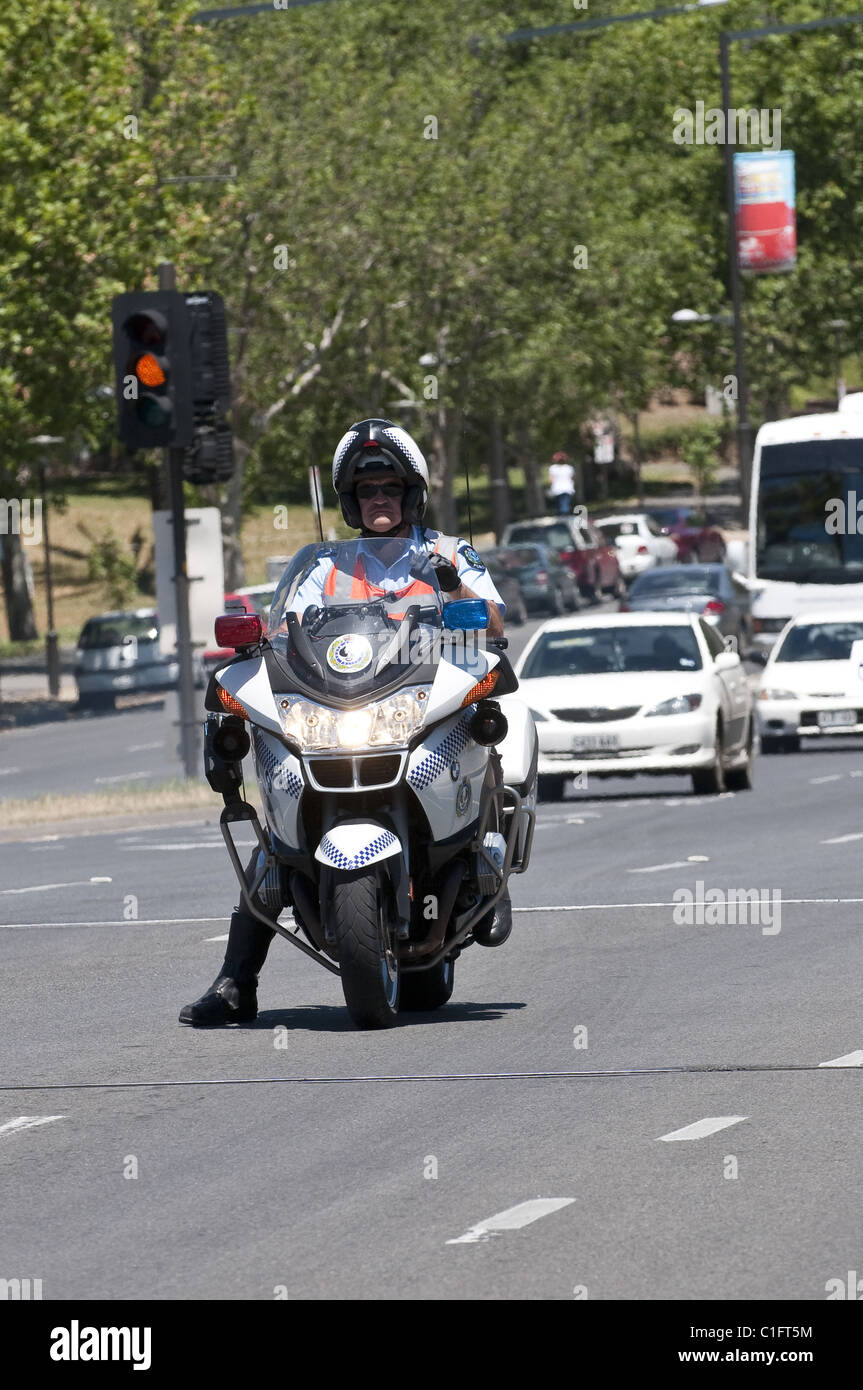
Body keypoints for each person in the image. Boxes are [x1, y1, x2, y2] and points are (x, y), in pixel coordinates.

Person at [180, 418, 510, 1027]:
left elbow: (492, 622)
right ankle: (235, 982)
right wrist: (260, 643)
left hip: (420, 701)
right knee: (278, 845)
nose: (377, 499)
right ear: (351, 502)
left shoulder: (446, 551)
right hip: (341, 707)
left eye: (388, 488)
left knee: (491, 742)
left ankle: (486, 860)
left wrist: (456, 587)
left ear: (411, 494)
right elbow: (283, 632)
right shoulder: (323, 564)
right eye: (366, 492)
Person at [547, 451, 576, 516]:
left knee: (560, 506)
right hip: (568, 489)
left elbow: (551, 480)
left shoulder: (553, 468)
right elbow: (573, 479)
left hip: (557, 489)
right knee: (564, 505)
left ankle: (563, 519)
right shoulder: (569, 468)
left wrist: (549, 488)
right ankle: (564, 518)